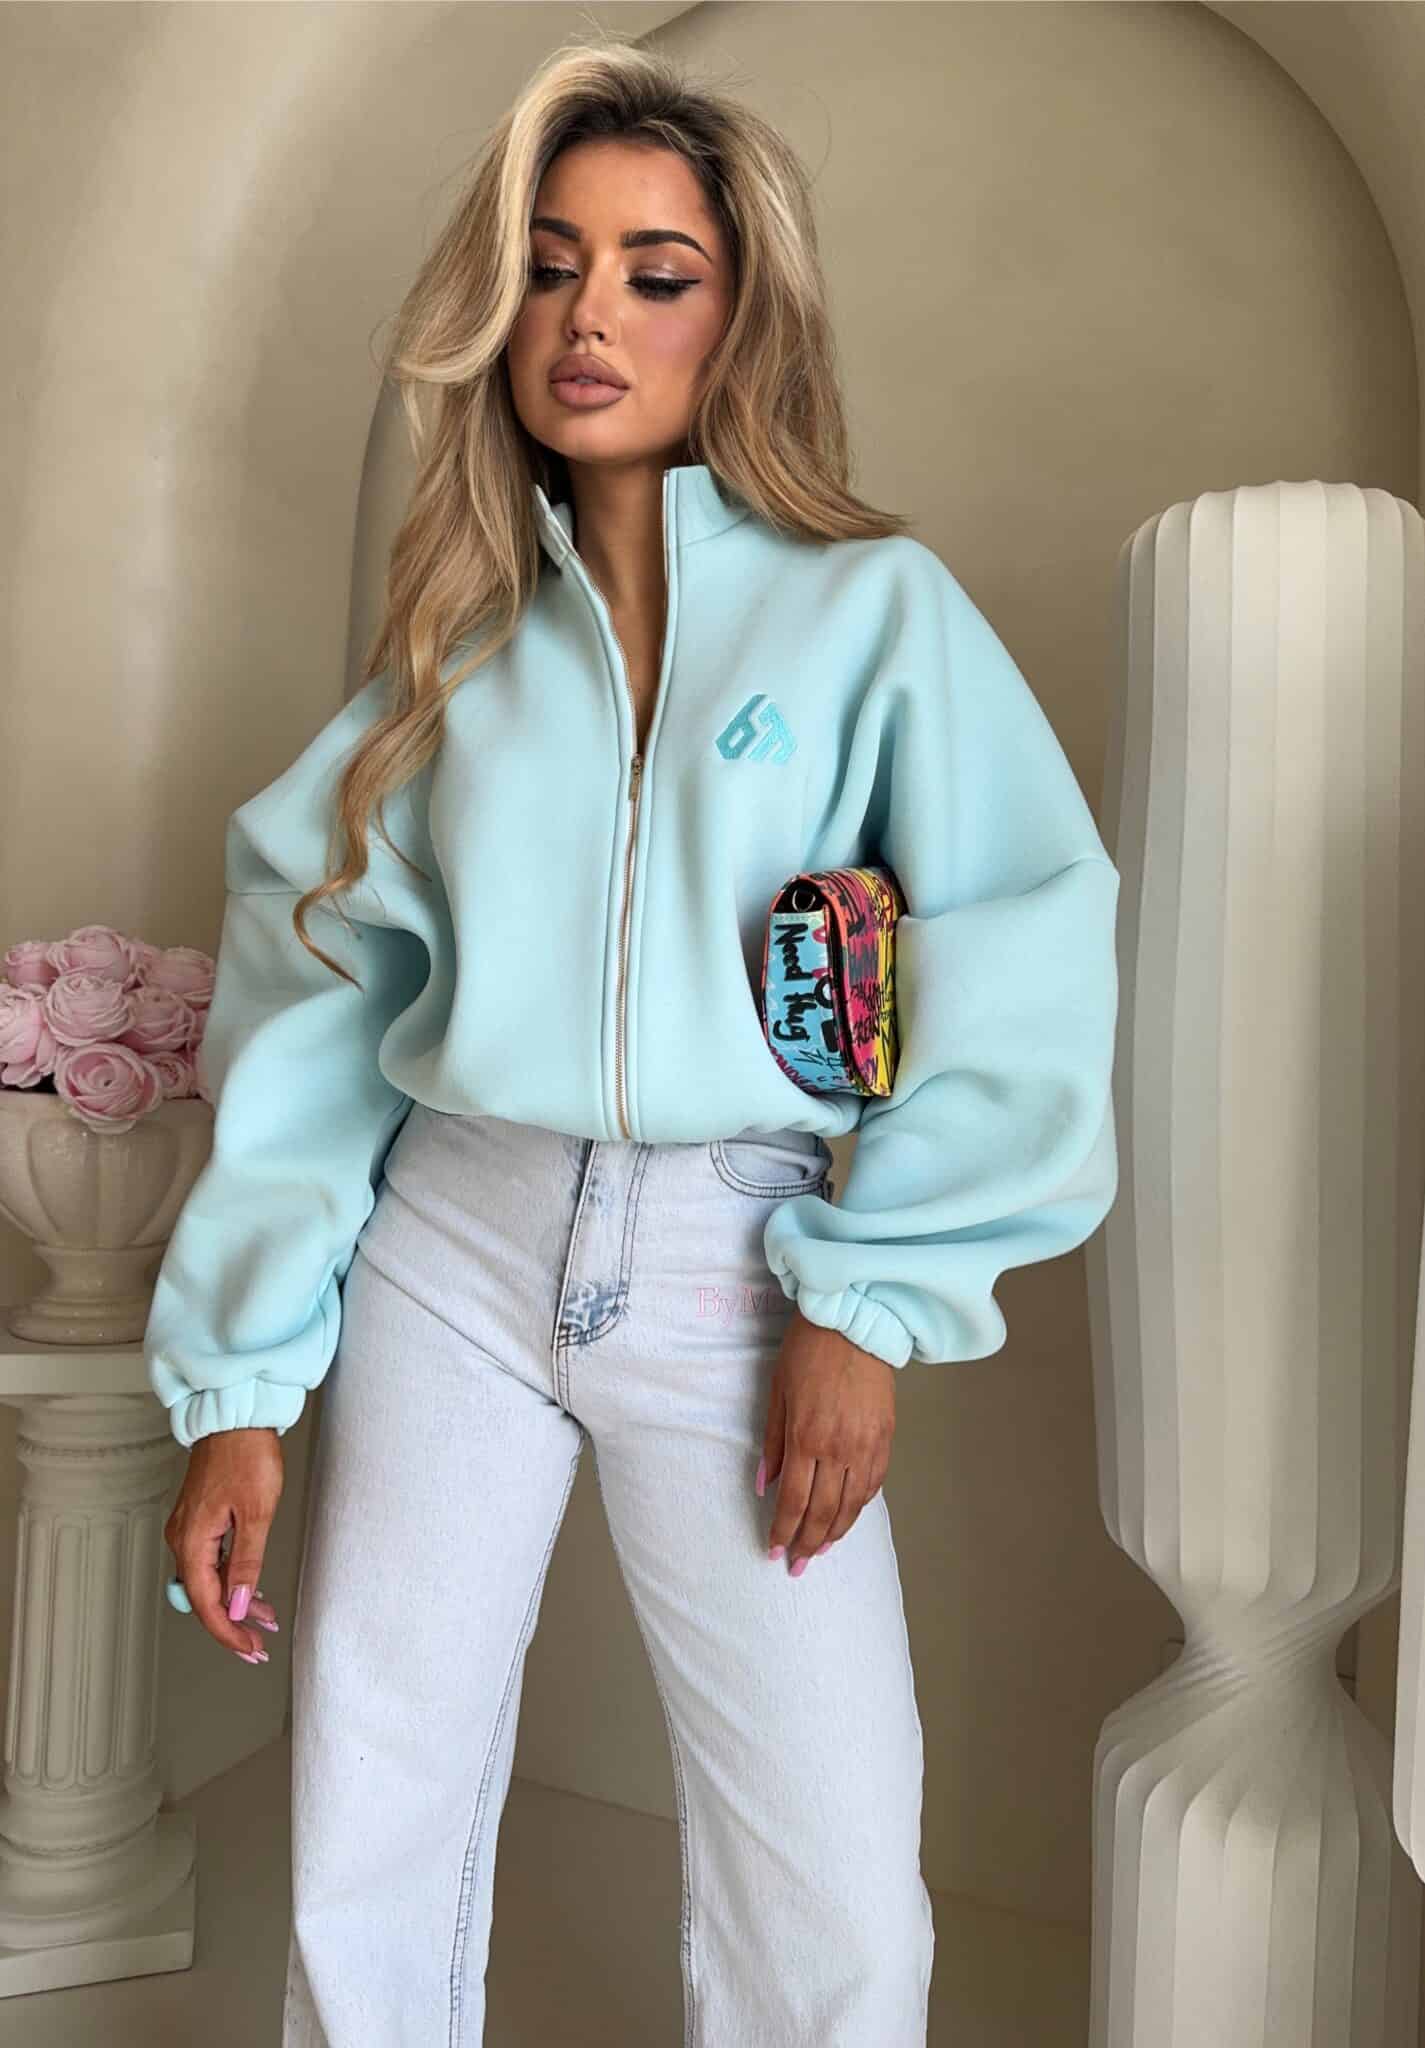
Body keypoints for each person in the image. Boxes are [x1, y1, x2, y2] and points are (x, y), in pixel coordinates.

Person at [144, 34, 1121, 2048]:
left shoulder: (874, 613)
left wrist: (865, 1300)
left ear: (737, 314)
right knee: (372, 1803)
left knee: (828, 1868)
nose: (590, 315)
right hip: (449, 1238)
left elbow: (1017, 941)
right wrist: (242, 1381)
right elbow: (313, 996)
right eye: (550, 265)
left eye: (654, 271)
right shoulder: (455, 649)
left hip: (738, 1253)